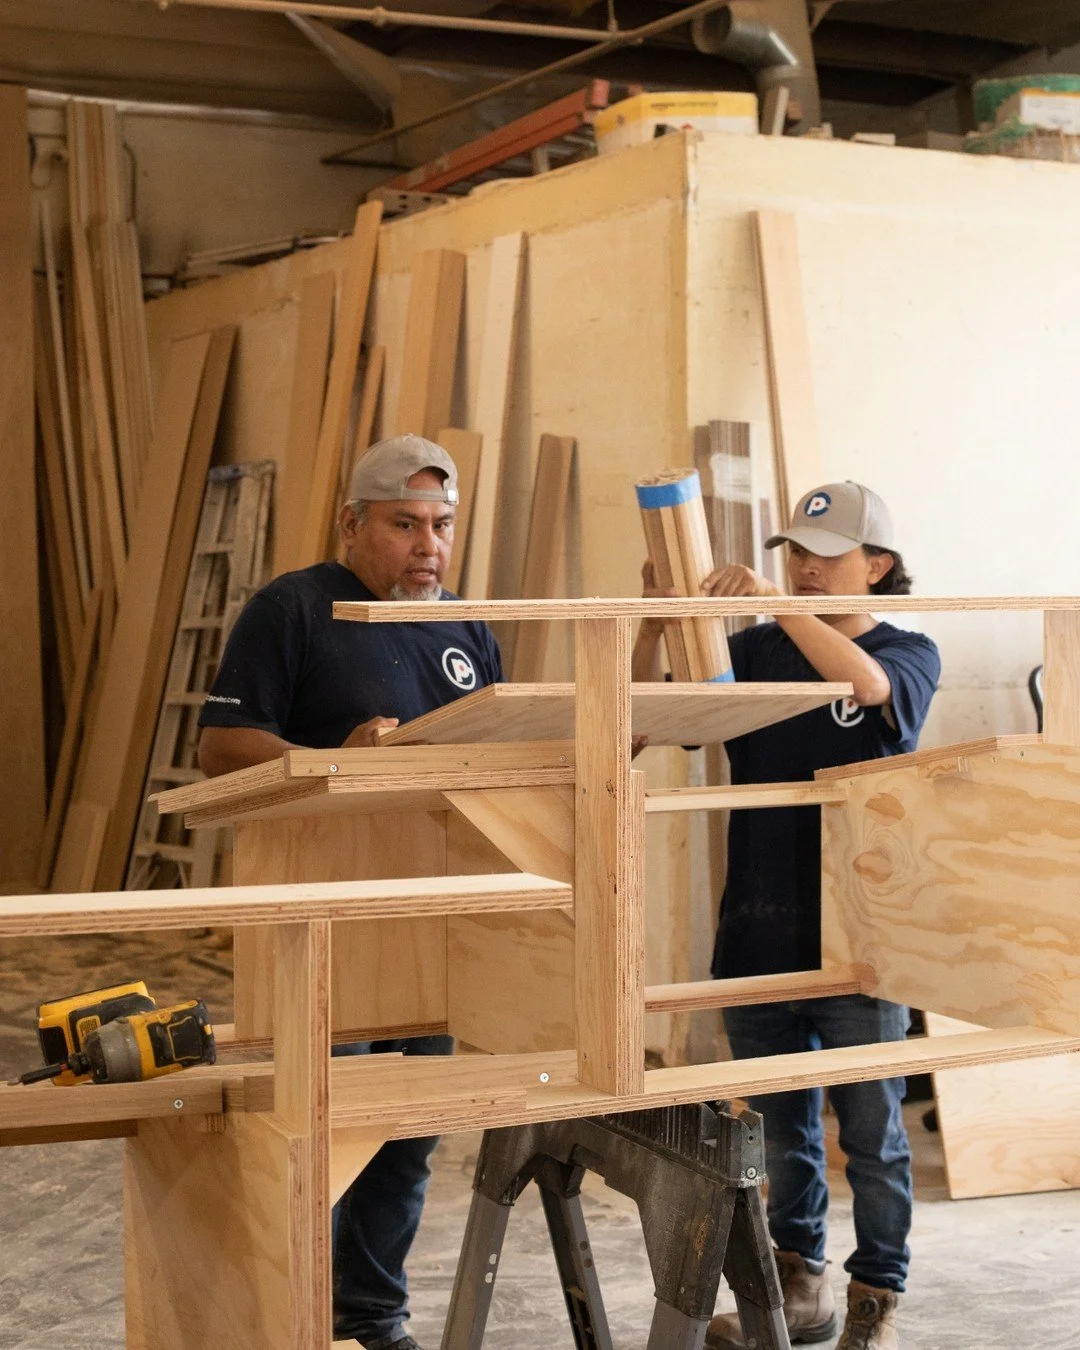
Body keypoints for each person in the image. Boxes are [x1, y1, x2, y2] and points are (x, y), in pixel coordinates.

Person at [198, 433, 503, 1350]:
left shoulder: (465, 626)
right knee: (318, 1132)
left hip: (428, 917)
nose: (428, 547)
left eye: (442, 526)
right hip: (321, 916)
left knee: (406, 1135)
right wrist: (337, 764)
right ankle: (296, 1316)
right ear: (352, 525)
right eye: (404, 524)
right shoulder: (293, 609)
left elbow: (496, 743)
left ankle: (372, 1316)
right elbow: (223, 747)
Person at [632, 481, 940, 1350]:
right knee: (779, 1136)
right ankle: (799, 1285)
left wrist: (782, 606)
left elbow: (871, 686)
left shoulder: (912, 648)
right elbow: (641, 723)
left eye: (826, 555)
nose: (803, 569)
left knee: (874, 1138)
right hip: (757, 932)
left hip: (862, 937)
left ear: (876, 567)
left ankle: (876, 1292)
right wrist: (654, 619)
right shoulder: (751, 649)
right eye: (794, 555)